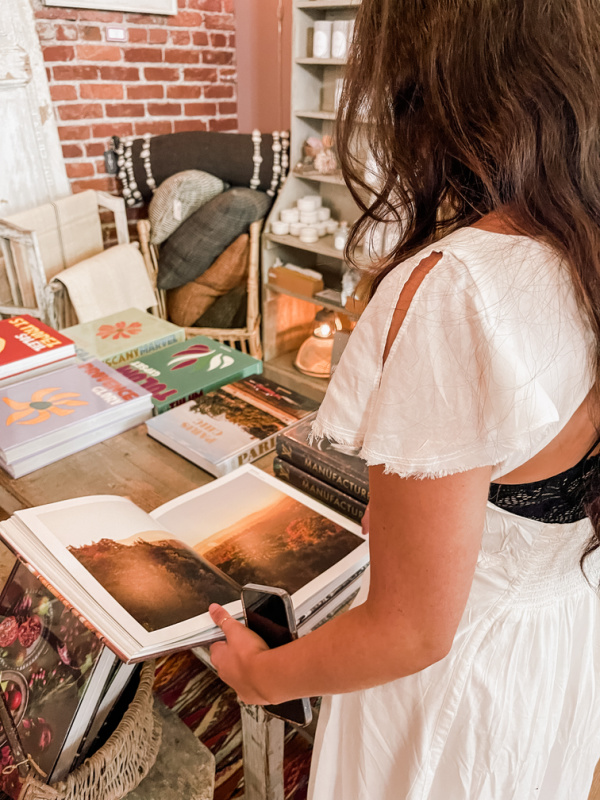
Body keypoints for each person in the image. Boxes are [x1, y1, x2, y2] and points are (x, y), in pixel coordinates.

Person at [208, 0, 600, 796]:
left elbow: (412, 629)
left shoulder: (462, 290)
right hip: (561, 640)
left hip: (457, 688)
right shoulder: (581, 240)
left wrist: (261, 677)